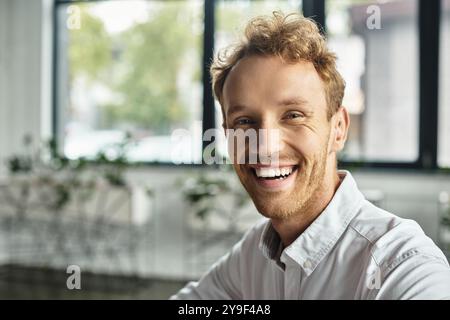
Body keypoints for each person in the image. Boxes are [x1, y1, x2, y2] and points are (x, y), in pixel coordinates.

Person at [171, 12, 450, 299]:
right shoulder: (254, 255)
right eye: (244, 121)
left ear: (338, 128)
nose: (265, 147)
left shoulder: (401, 267)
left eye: (293, 115)